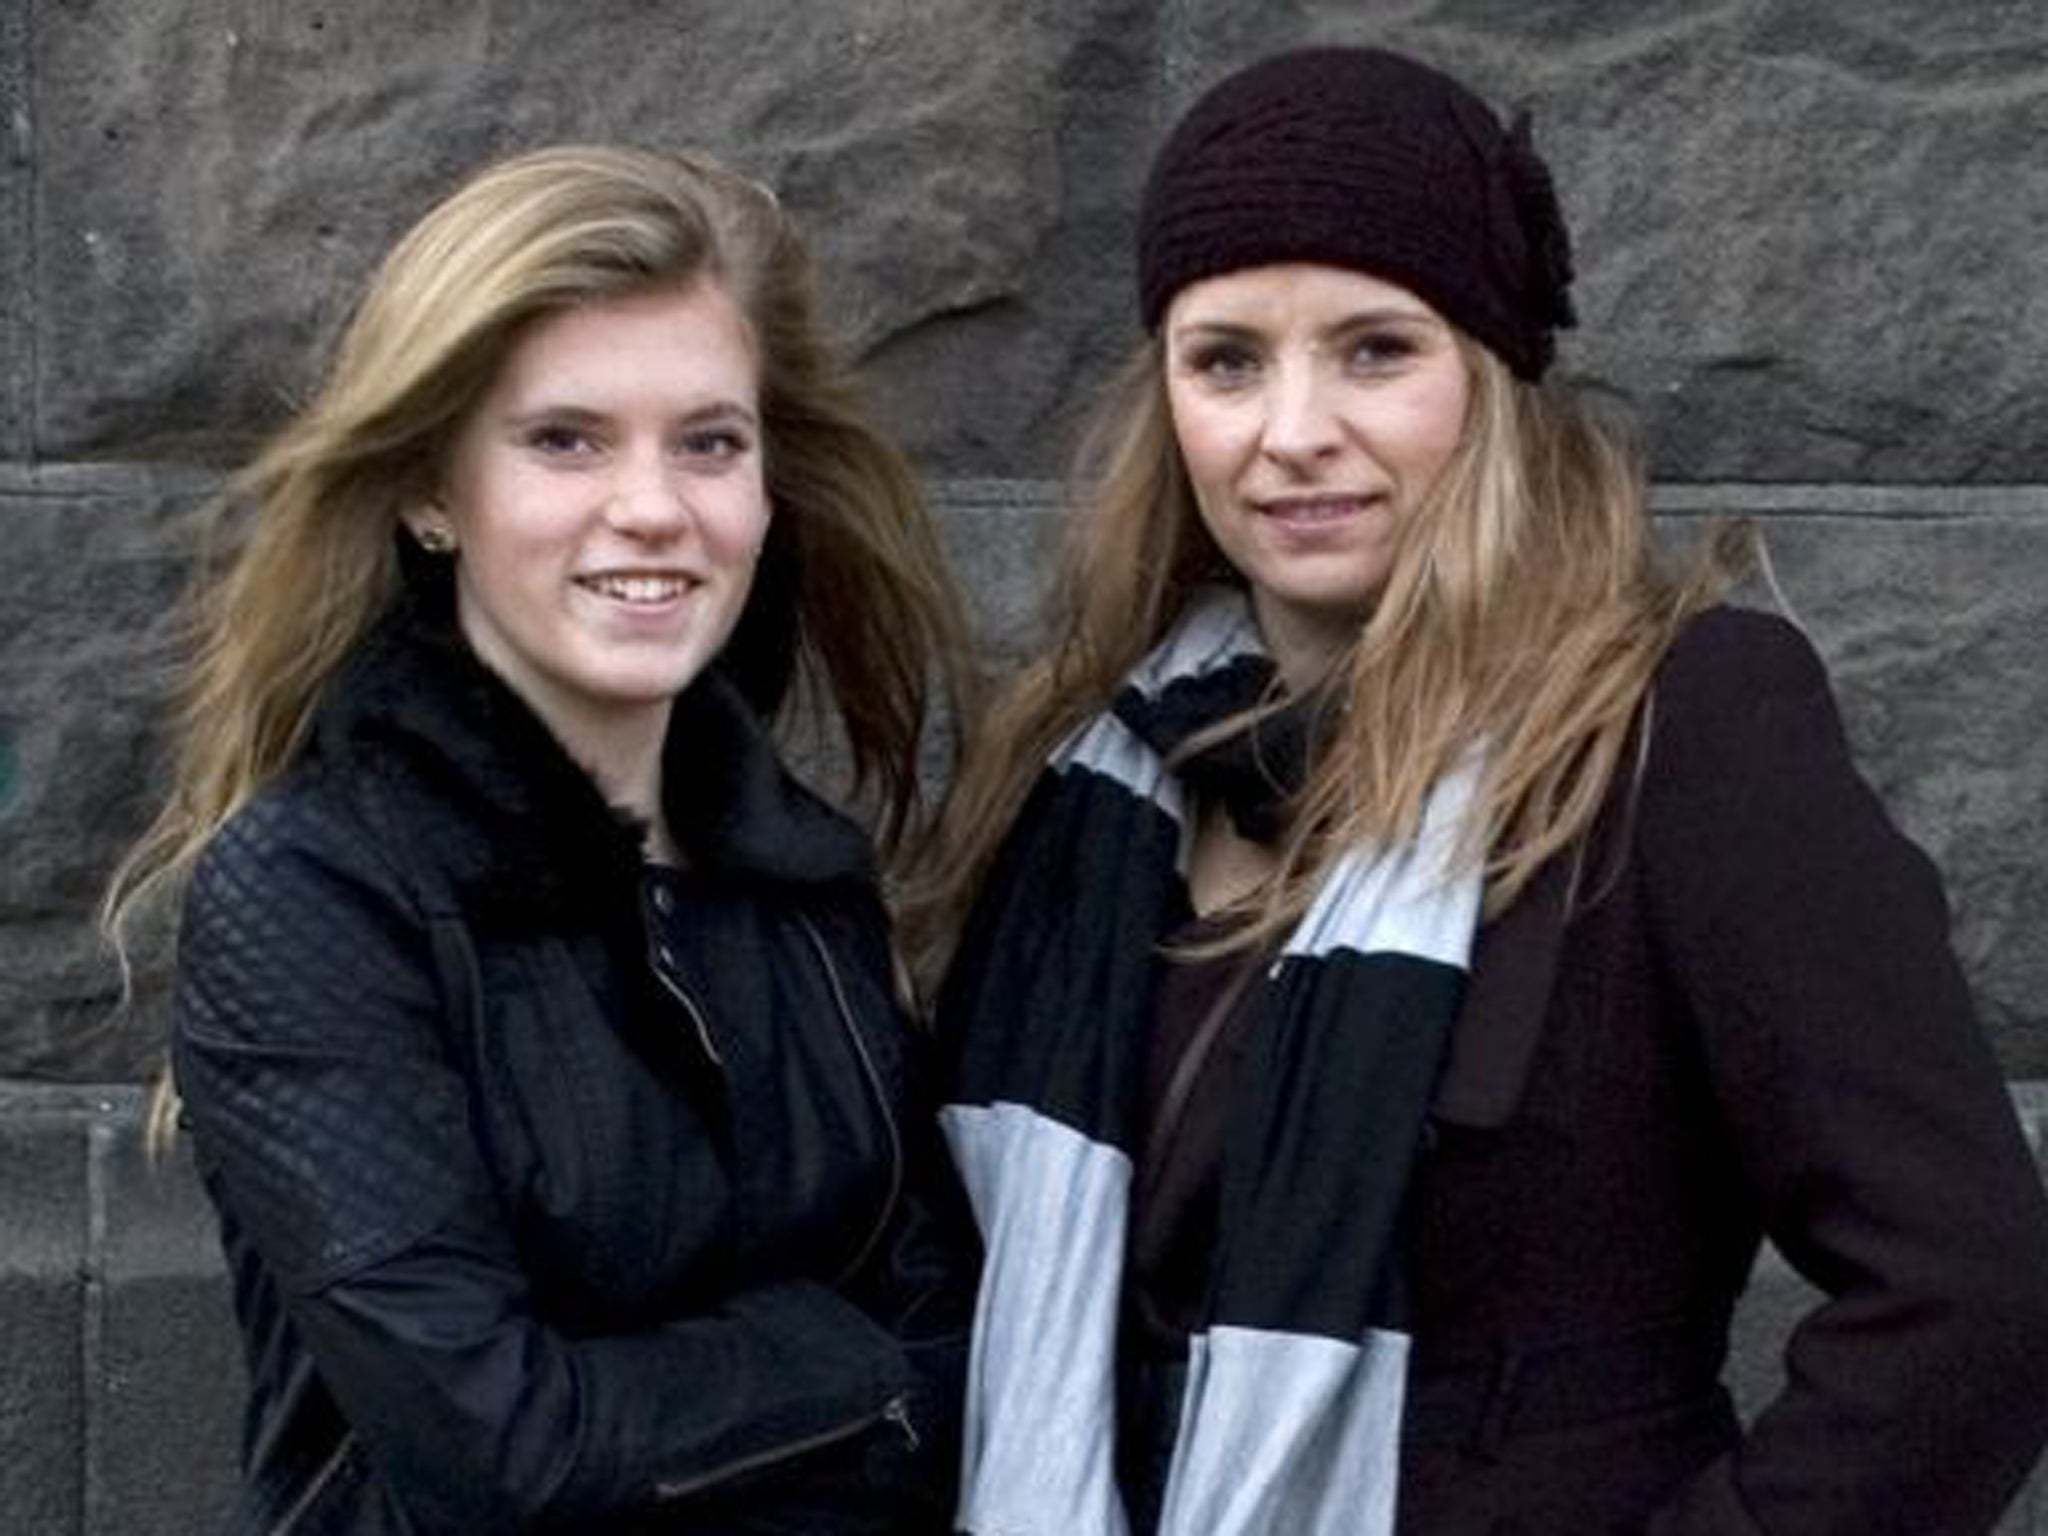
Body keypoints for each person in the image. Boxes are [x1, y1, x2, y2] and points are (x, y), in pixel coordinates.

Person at [926, 45, 2048, 1536]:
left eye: (1376, 350)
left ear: (1494, 377)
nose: (1293, 430)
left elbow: (1970, 1295)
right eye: (1228, 359)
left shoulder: (1676, 731)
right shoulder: (1093, 770)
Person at [104, 144, 977, 1533]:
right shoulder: (316, 892)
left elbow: (959, 1340)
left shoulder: (801, 876)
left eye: (710, 442)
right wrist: (856, 1373)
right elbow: (499, 1448)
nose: (654, 507)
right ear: (431, 492)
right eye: (566, 440)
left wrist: (855, 1385)